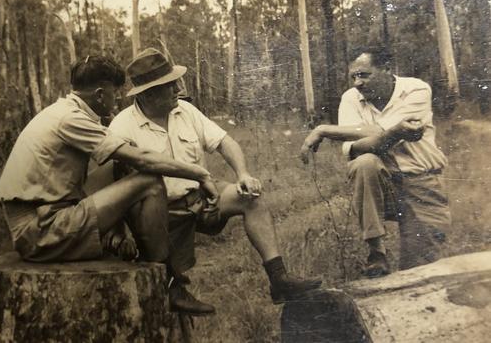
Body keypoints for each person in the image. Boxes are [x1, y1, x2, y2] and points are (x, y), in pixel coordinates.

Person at [0, 56, 220, 313]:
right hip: (39, 231)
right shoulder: (71, 119)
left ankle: (130, 248)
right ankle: (171, 284)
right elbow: (143, 160)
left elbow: (102, 174)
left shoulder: (65, 113)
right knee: (148, 181)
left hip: (44, 222)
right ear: (101, 94)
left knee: (126, 169)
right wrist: (200, 174)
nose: (118, 98)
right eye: (116, 92)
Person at [109, 48, 322, 314]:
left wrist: (242, 174)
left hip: (203, 199)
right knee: (161, 291)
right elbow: (114, 187)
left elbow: (225, 142)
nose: (178, 88)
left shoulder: (185, 110)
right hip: (160, 215)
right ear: (149, 93)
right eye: (170, 85)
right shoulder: (121, 127)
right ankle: (174, 288)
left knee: (251, 198)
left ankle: (279, 279)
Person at [300, 46, 451, 277]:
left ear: (387, 70)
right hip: (383, 185)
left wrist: (323, 129)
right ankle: (376, 252)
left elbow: (377, 130)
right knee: (365, 163)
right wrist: (393, 133)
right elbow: (358, 148)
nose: (357, 83)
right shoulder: (351, 98)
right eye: (353, 77)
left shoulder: (415, 89)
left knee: (422, 270)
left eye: (364, 75)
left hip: (422, 182)